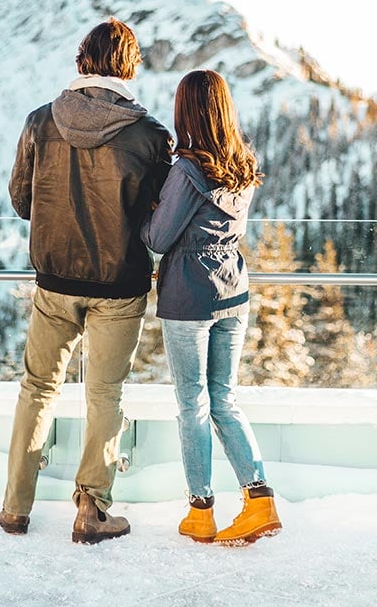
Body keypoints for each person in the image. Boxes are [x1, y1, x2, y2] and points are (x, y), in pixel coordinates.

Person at [0, 17, 172, 543]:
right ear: (130, 67)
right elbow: (158, 219)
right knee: (105, 395)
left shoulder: (39, 122)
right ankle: (91, 511)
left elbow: (22, 200)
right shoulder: (149, 136)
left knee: (36, 389)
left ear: (81, 62)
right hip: (120, 286)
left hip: (53, 282)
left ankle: (14, 508)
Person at [141, 69, 282, 546]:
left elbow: (159, 238)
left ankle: (201, 511)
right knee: (224, 398)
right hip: (233, 291)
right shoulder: (242, 162)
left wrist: (149, 209)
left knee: (193, 403)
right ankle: (258, 498)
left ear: (187, 112)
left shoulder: (186, 170)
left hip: (188, 295)